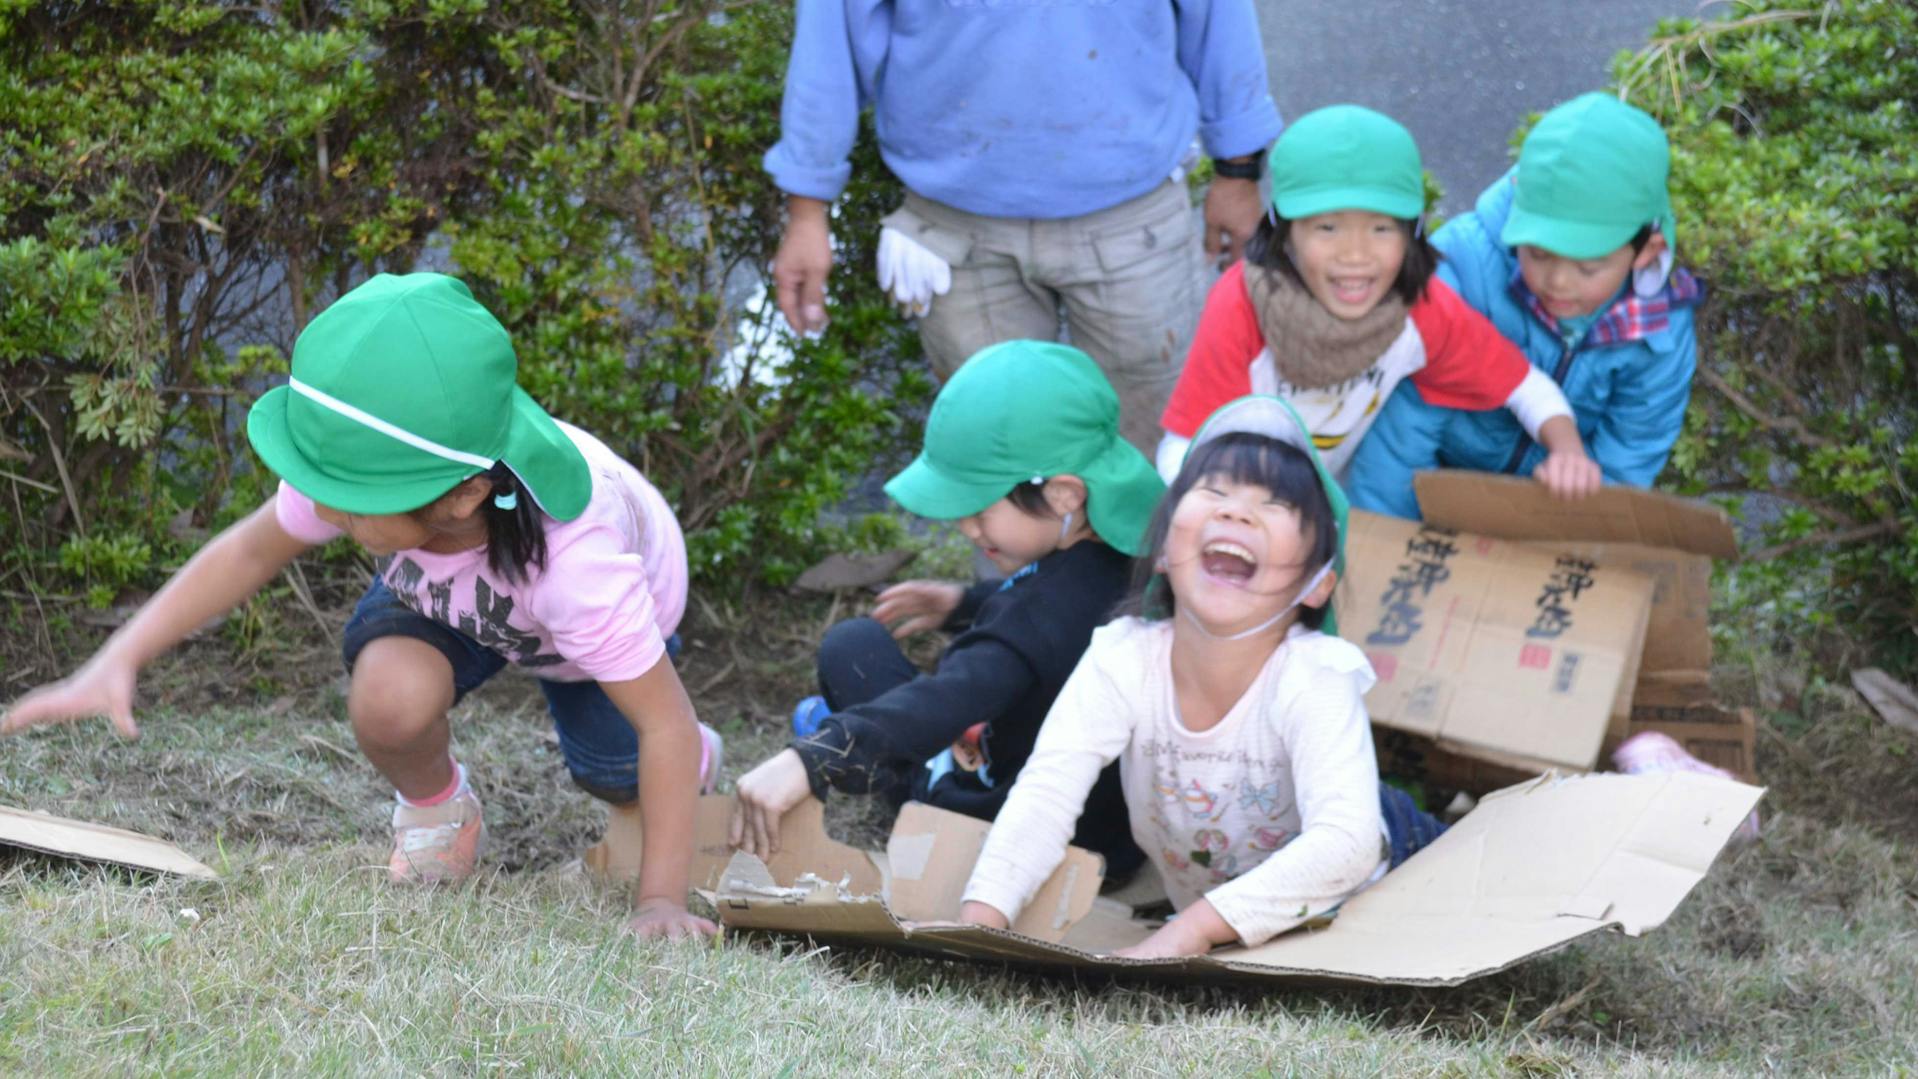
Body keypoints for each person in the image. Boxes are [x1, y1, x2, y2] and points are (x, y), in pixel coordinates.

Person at [0, 274, 719, 939]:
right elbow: (248, 551)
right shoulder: (378, 471)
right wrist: (118, 657)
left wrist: (661, 899)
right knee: (387, 698)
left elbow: (666, 725)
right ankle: (440, 811)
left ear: (464, 492)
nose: (319, 503)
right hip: (452, 590)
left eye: (349, 494)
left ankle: (686, 770)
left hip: (583, 638)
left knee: (623, 771)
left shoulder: (578, 567)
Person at [958, 396, 1444, 958]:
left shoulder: (1316, 674)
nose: (1235, 511)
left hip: (1380, 870)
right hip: (1228, 920)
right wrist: (977, 928)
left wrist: (1181, 937)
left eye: (1277, 502)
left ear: (1317, 585)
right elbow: (1045, 794)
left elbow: (1348, 845)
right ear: (1164, 549)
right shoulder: (1125, 656)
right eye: (1213, 490)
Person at [763, 0, 1283, 452]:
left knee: (1160, 451)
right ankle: (1018, 573)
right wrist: (807, 211)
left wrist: (1237, 173)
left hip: (1132, 221)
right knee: (997, 465)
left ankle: (1150, 570)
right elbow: (829, 48)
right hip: (955, 231)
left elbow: (1220, 21)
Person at [729, 340, 1165, 878]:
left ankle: (873, 756)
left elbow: (949, 698)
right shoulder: (1135, 559)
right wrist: (962, 602)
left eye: (978, 508)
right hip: (1115, 835)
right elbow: (1054, 615)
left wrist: (819, 754)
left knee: (853, 648)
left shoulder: (1031, 618)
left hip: (1003, 833)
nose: (965, 526)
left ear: (1064, 495)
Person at [1157, 105, 1602, 506]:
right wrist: (1216, 512)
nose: (1355, 255)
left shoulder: (1417, 309)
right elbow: (1182, 446)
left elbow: (1523, 384)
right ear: (1282, 231)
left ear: (1413, 233)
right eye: (1327, 227)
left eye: (1381, 229)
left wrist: (1568, 450)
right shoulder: (1243, 302)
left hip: (1326, 505)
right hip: (1230, 498)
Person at [1346, 93, 1704, 520]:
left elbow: (1629, 455)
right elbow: (1405, 425)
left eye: (1588, 268)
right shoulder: (1461, 269)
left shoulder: (1660, 328)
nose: (1557, 282)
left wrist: (1574, 531)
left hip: (1548, 506)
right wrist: (1380, 536)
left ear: (1647, 250)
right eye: (1537, 254)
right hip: (1430, 477)